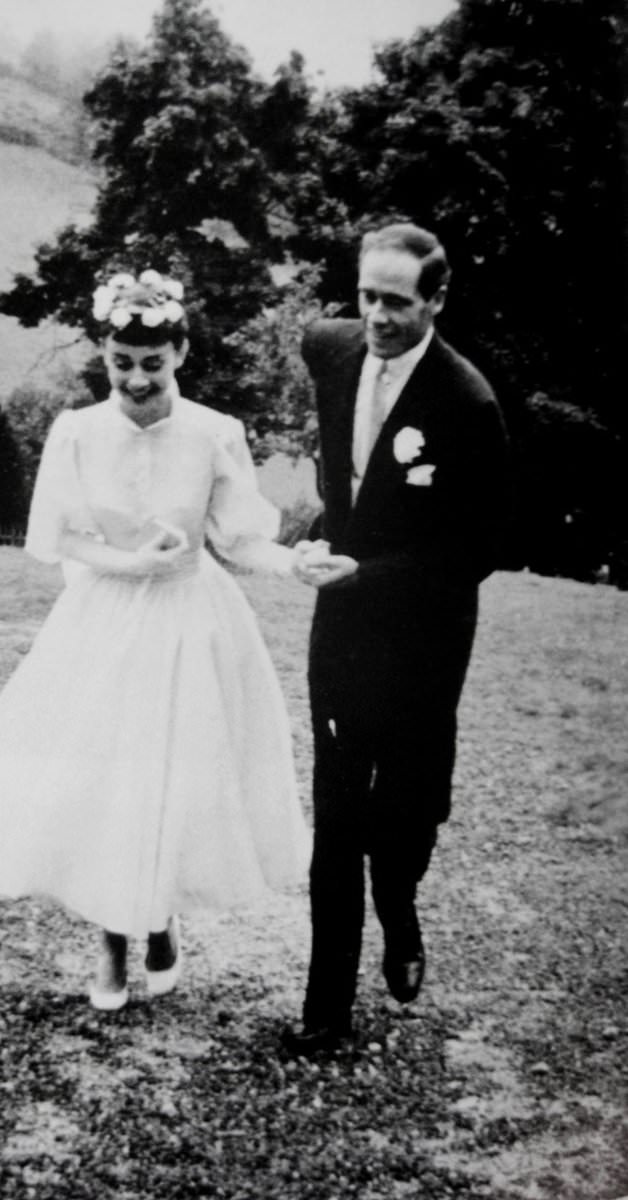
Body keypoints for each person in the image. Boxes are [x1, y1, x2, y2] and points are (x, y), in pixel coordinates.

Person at [0, 270, 310, 1011]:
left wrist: (297, 562)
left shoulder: (215, 433)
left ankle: (161, 917)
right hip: (106, 622)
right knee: (108, 785)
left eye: (153, 362)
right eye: (122, 362)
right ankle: (114, 942)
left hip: (191, 619)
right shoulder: (76, 432)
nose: (137, 378)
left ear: (180, 351)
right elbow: (54, 539)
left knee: (175, 780)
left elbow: (240, 540)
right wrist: (128, 562)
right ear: (104, 355)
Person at [282, 223, 510, 1056]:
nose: (375, 317)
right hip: (339, 629)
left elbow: (475, 552)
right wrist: (318, 530)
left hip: (423, 637)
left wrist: (363, 572)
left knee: (406, 815)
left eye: (396, 302)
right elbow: (352, 487)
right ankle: (325, 1009)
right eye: (366, 296)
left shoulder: (467, 403)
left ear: (437, 300)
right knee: (338, 808)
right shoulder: (329, 348)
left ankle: (400, 902)